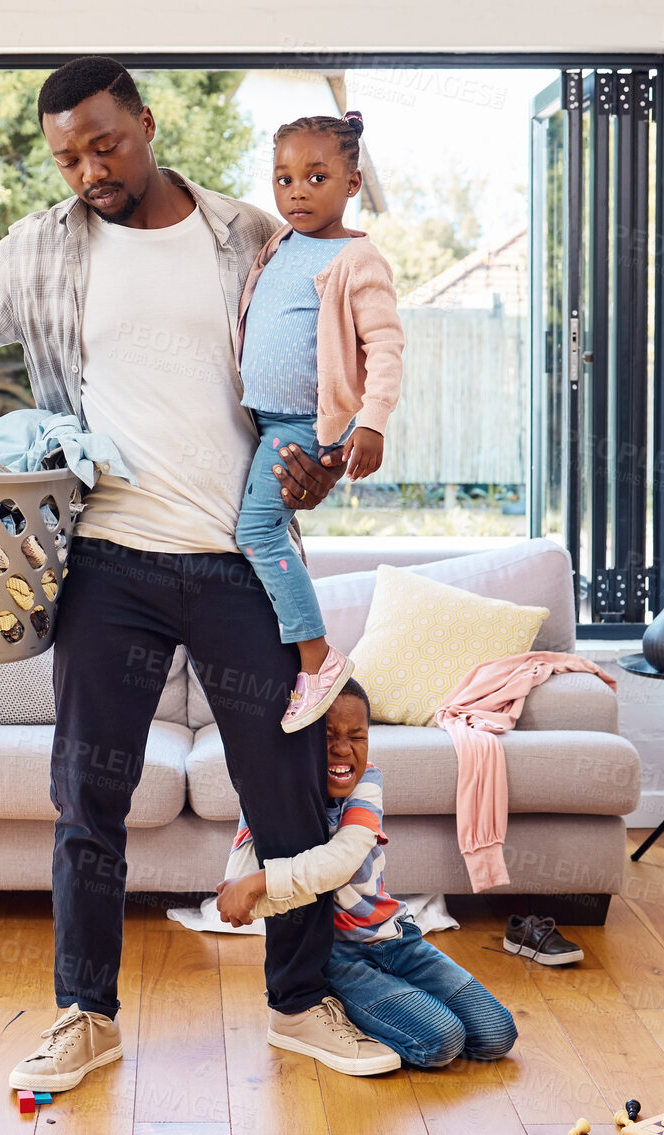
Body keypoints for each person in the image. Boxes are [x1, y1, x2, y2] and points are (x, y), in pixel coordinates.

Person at [0, 57, 399, 1090]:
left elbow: (324, 367)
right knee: (88, 798)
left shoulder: (251, 236)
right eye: (67, 155)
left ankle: (302, 1002)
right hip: (108, 561)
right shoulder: (43, 251)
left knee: (291, 791)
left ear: (149, 125)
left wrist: (318, 469)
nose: (88, 170)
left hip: (241, 560)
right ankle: (87, 1013)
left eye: (105, 144)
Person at [216, 680, 520, 1068]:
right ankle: (344, 1006)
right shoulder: (271, 797)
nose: (343, 748)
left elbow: (340, 863)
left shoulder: (367, 782)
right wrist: (253, 891)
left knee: (497, 1033)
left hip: (395, 938)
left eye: (357, 736)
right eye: (327, 736)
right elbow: (243, 899)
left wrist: (258, 884)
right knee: (442, 1042)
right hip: (339, 957)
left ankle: (395, 1000)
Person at [234, 113, 404, 732]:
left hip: (303, 423)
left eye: (315, 176)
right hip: (260, 419)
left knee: (257, 532)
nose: (297, 191)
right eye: (283, 179)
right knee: (256, 533)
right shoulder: (279, 242)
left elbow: (385, 345)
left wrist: (372, 421)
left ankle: (317, 658)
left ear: (352, 183)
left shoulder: (358, 258)